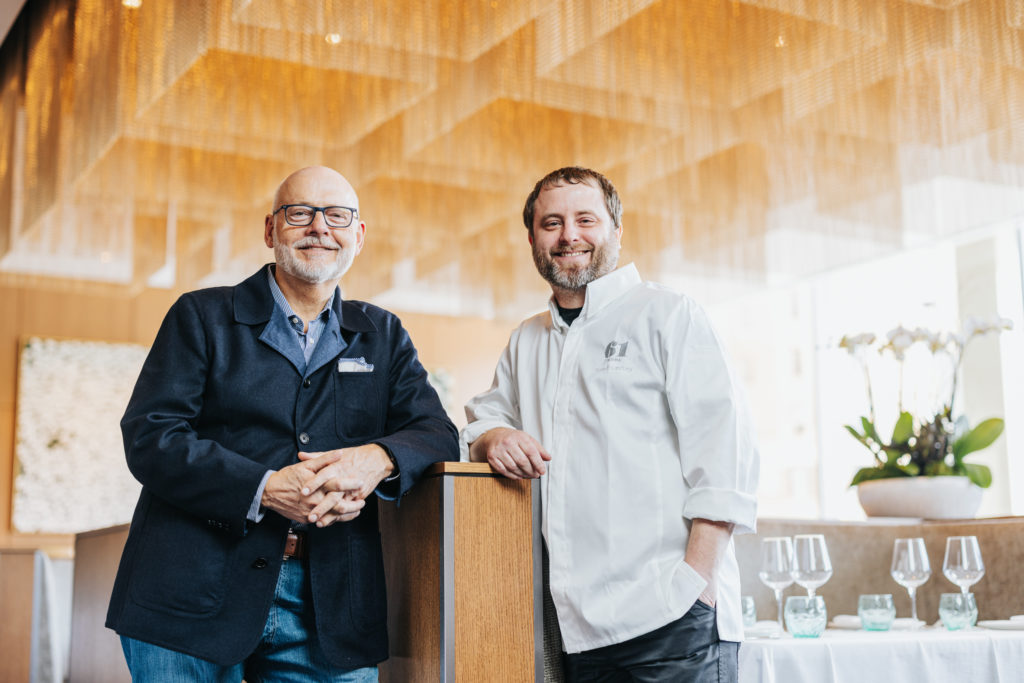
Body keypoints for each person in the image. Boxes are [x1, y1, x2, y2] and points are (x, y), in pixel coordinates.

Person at [107, 166, 458, 681]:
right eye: (300, 213)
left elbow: (436, 431)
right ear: (271, 230)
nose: (320, 227)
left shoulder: (382, 334)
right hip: (190, 593)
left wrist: (375, 459)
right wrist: (264, 488)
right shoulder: (201, 316)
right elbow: (151, 435)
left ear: (357, 238)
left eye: (337, 216)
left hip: (329, 606)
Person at [462, 167, 759, 682]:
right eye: (551, 223)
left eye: (585, 219)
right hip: (577, 633)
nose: (568, 235)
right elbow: (484, 417)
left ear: (616, 231)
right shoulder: (525, 341)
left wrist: (695, 582)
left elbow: (726, 455)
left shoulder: (668, 314)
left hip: (672, 620)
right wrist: (495, 435)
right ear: (532, 237)